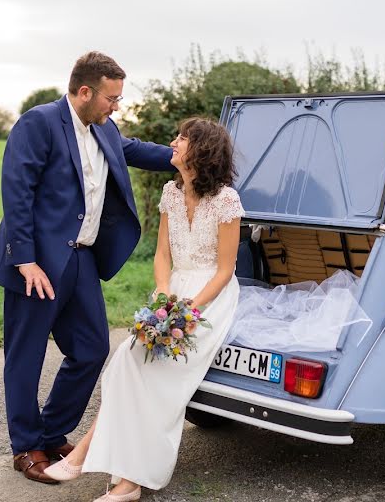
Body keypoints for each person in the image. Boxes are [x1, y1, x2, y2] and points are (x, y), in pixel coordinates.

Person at [0, 52, 175, 484]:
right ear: (85, 91)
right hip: (35, 265)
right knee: (25, 356)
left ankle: (53, 433)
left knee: (90, 349)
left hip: (81, 259)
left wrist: (189, 155)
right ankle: (27, 447)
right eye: (112, 97)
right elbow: (17, 192)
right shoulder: (40, 122)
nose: (116, 106)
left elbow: (138, 152)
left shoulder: (104, 129)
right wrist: (25, 259)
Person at [44, 118, 244, 502]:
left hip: (210, 298)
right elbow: (163, 255)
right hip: (171, 293)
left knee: (156, 377)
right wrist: (164, 298)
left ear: (200, 150)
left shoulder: (226, 201)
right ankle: (101, 462)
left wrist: (187, 312)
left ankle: (123, 476)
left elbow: (225, 270)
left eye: (182, 138)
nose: (173, 142)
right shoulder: (171, 192)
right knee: (125, 362)